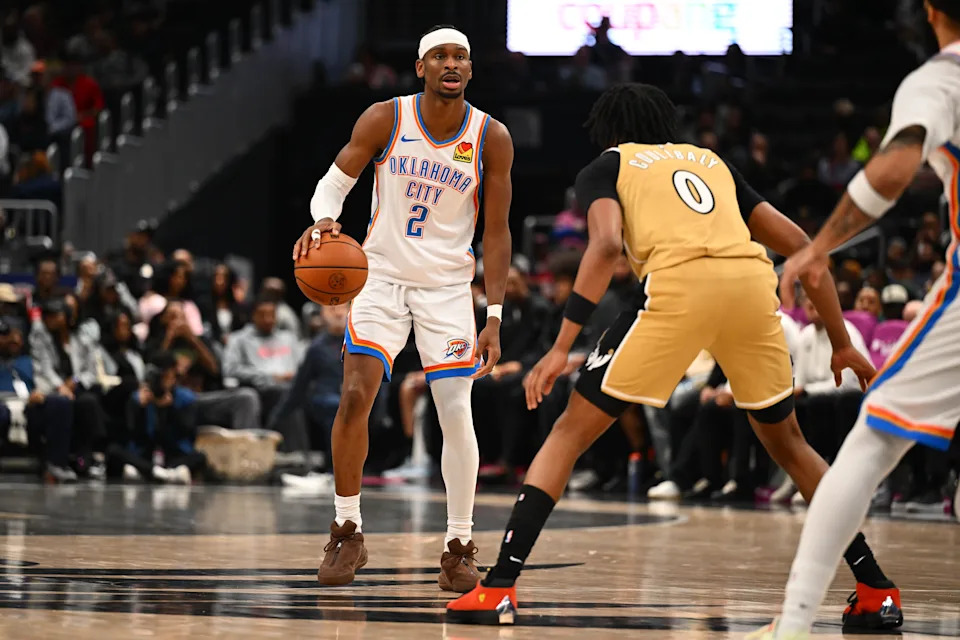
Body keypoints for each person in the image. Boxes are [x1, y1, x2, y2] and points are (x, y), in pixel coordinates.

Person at [446, 84, 899, 629]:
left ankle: (498, 587)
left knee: (568, 431)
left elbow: (608, 245)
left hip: (677, 287)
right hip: (752, 286)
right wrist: (842, 339)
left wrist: (561, 347)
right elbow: (804, 245)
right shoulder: (713, 163)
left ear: (610, 129)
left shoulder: (610, 164)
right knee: (791, 444)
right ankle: (875, 587)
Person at [753, 2, 960, 637]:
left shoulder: (939, 79)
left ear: (927, 10)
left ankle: (791, 626)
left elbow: (896, 165)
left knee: (872, 441)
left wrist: (819, 247)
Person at [291, 24, 513, 591]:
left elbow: (497, 234)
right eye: (439, 55)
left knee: (454, 410)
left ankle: (458, 546)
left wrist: (494, 316)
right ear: (420, 67)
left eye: (460, 56)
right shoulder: (386, 118)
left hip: (446, 289)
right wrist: (322, 223)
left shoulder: (491, 137)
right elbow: (334, 183)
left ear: (471, 68)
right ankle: (347, 529)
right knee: (355, 396)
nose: (451, 64)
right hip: (382, 276)